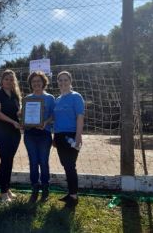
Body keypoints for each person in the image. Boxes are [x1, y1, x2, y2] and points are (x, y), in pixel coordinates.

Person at [53, 71, 85, 208]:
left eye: (65, 80)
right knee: (66, 165)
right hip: (59, 136)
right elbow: (56, 120)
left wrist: (78, 137)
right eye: (60, 80)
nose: (63, 82)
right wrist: (55, 137)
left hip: (71, 136)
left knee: (70, 166)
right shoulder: (57, 99)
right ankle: (70, 192)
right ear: (58, 82)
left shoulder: (76, 97)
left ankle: (73, 196)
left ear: (70, 81)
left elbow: (80, 117)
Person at [23, 71, 55, 202]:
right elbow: (24, 116)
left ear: (43, 82)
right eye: (34, 81)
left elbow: (53, 115)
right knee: (33, 161)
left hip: (45, 133)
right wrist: (22, 118)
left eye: (39, 81)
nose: (36, 83)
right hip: (30, 134)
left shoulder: (50, 98)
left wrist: (45, 122)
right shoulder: (27, 98)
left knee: (43, 161)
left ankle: (45, 188)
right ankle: (35, 188)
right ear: (31, 83)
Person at [0, 69, 22, 202]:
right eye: (6, 79)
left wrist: (23, 116)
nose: (9, 81)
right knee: (5, 160)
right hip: (1, 132)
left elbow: (17, 113)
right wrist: (13, 122)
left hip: (15, 133)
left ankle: (7, 188)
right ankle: (3, 193)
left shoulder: (15, 96)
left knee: (9, 160)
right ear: (2, 81)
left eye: (11, 79)